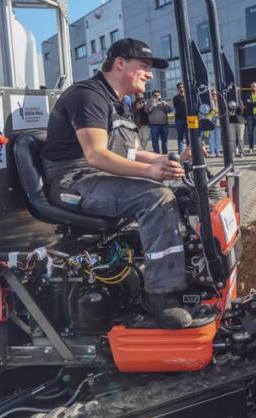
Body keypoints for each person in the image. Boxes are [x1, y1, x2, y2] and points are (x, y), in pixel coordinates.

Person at [40, 38, 200, 328]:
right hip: (73, 181)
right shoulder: (87, 96)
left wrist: (166, 160)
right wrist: (150, 172)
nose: (150, 73)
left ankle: (193, 273)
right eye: (145, 66)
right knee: (156, 197)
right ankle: (161, 297)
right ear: (120, 63)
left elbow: (130, 152)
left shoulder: (118, 103)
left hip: (96, 175)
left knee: (192, 191)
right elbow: (96, 155)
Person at [145, 89, 171, 154]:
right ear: (152, 96)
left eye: (158, 95)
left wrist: (165, 105)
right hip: (154, 125)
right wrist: (152, 105)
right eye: (155, 95)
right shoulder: (149, 102)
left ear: (160, 95)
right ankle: (157, 154)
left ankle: (165, 154)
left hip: (164, 124)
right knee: (155, 141)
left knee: (164, 141)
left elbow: (169, 110)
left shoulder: (164, 102)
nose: (156, 96)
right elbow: (146, 111)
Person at [243, 82, 256, 152]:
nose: (253, 87)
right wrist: (255, 103)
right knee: (250, 133)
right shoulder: (247, 94)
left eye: (254, 86)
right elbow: (247, 103)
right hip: (250, 116)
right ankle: (251, 148)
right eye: (252, 86)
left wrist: (251, 103)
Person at [173, 83, 188, 153]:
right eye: (179, 87)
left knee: (188, 136)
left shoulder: (189, 96)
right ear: (178, 89)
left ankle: (189, 150)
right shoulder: (175, 98)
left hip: (188, 119)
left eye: (182, 87)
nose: (181, 88)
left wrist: (185, 97)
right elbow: (176, 108)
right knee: (180, 137)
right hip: (179, 120)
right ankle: (180, 152)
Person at [206, 89, 221, 157]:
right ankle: (212, 152)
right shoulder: (208, 102)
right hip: (211, 119)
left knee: (218, 136)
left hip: (218, 119)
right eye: (213, 94)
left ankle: (217, 151)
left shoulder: (220, 101)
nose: (214, 95)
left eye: (215, 94)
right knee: (211, 136)